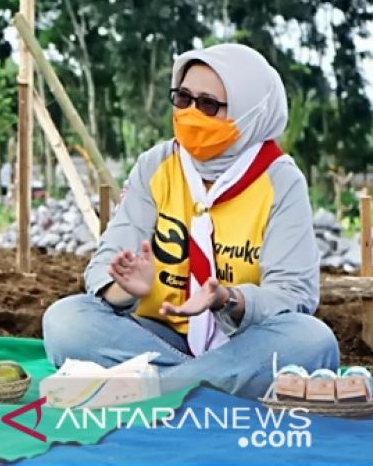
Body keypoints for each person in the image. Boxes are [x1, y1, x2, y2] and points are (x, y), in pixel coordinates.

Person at [42, 44, 340, 399]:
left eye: (208, 104)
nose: (190, 113)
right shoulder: (157, 165)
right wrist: (125, 288)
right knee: (65, 320)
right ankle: (203, 384)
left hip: (245, 343)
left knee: (312, 341)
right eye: (183, 98)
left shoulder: (280, 181)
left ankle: (150, 386)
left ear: (249, 111)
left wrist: (227, 299)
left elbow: (294, 295)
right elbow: (103, 267)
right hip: (154, 335)